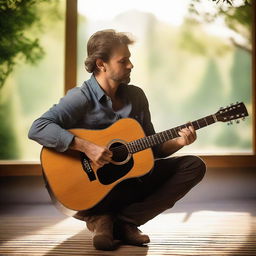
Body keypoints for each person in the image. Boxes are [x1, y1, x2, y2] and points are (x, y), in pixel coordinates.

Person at [28, 29, 206, 251]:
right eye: (124, 61)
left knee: (194, 165)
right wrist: (86, 147)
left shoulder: (136, 96)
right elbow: (38, 127)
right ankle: (101, 219)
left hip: (127, 182)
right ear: (101, 64)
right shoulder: (81, 97)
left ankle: (120, 222)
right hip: (87, 190)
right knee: (99, 195)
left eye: (129, 59)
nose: (131, 65)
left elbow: (152, 149)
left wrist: (179, 142)